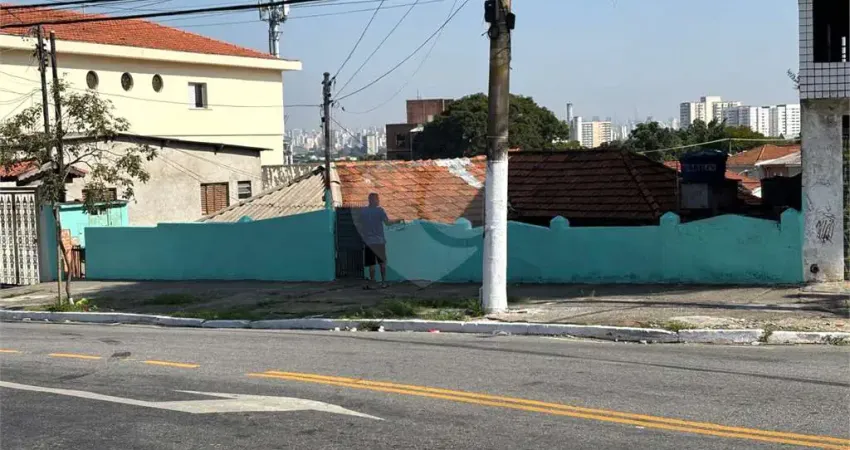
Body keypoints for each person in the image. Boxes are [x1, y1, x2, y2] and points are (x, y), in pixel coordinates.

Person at [359, 193, 403, 289]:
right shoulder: (380, 211)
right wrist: (397, 221)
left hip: (368, 241)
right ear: (373, 200)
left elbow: (361, 226)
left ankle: (372, 283)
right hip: (379, 241)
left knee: (371, 264)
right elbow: (387, 223)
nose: (379, 201)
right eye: (377, 199)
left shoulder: (364, 211)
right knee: (382, 262)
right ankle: (383, 282)